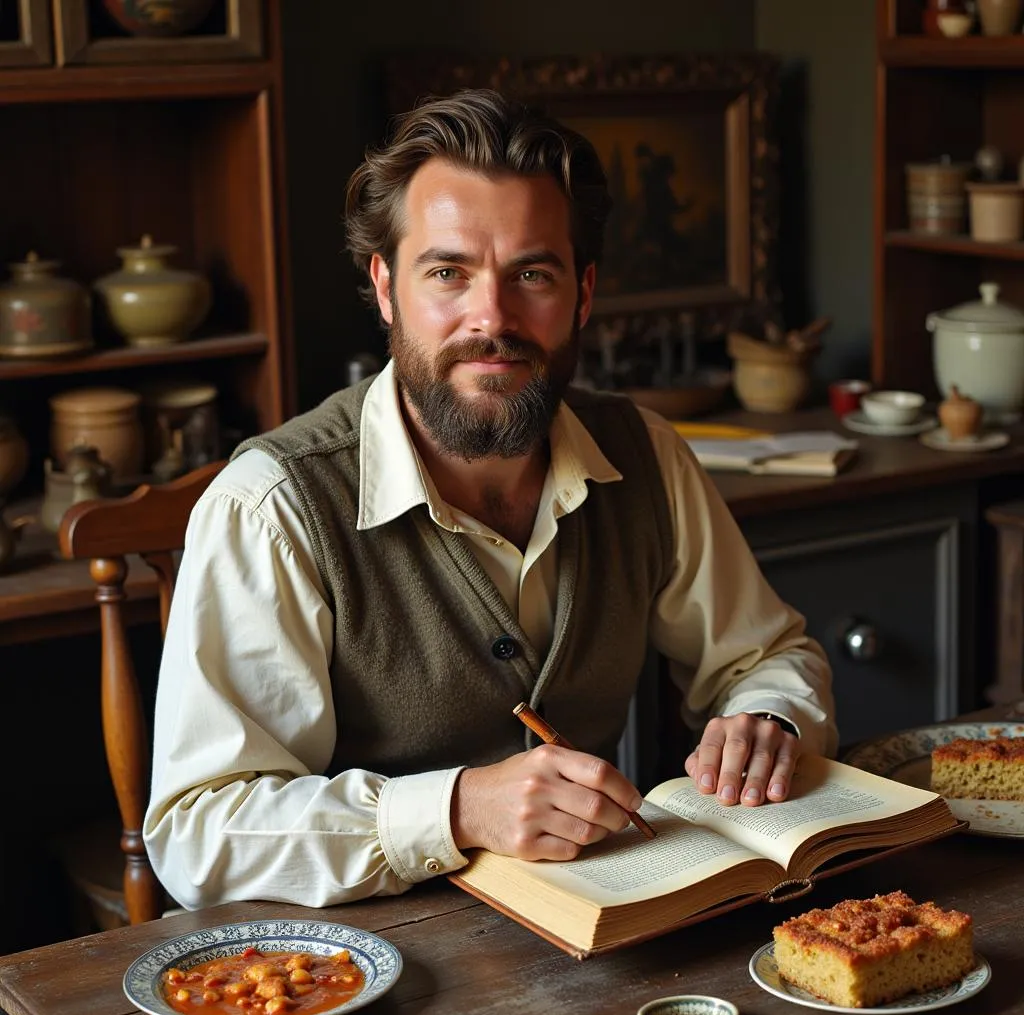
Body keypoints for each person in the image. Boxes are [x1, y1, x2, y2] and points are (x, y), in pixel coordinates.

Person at [144, 88, 837, 911]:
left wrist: (767, 719)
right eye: (448, 273)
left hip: (603, 933)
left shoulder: (645, 455)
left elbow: (769, 657)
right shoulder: (271, 507)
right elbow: (198, 833)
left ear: (580, 294)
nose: (492, 318)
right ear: (387, 288)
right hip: (369, 956)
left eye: (531, 274)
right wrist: (459, 809)